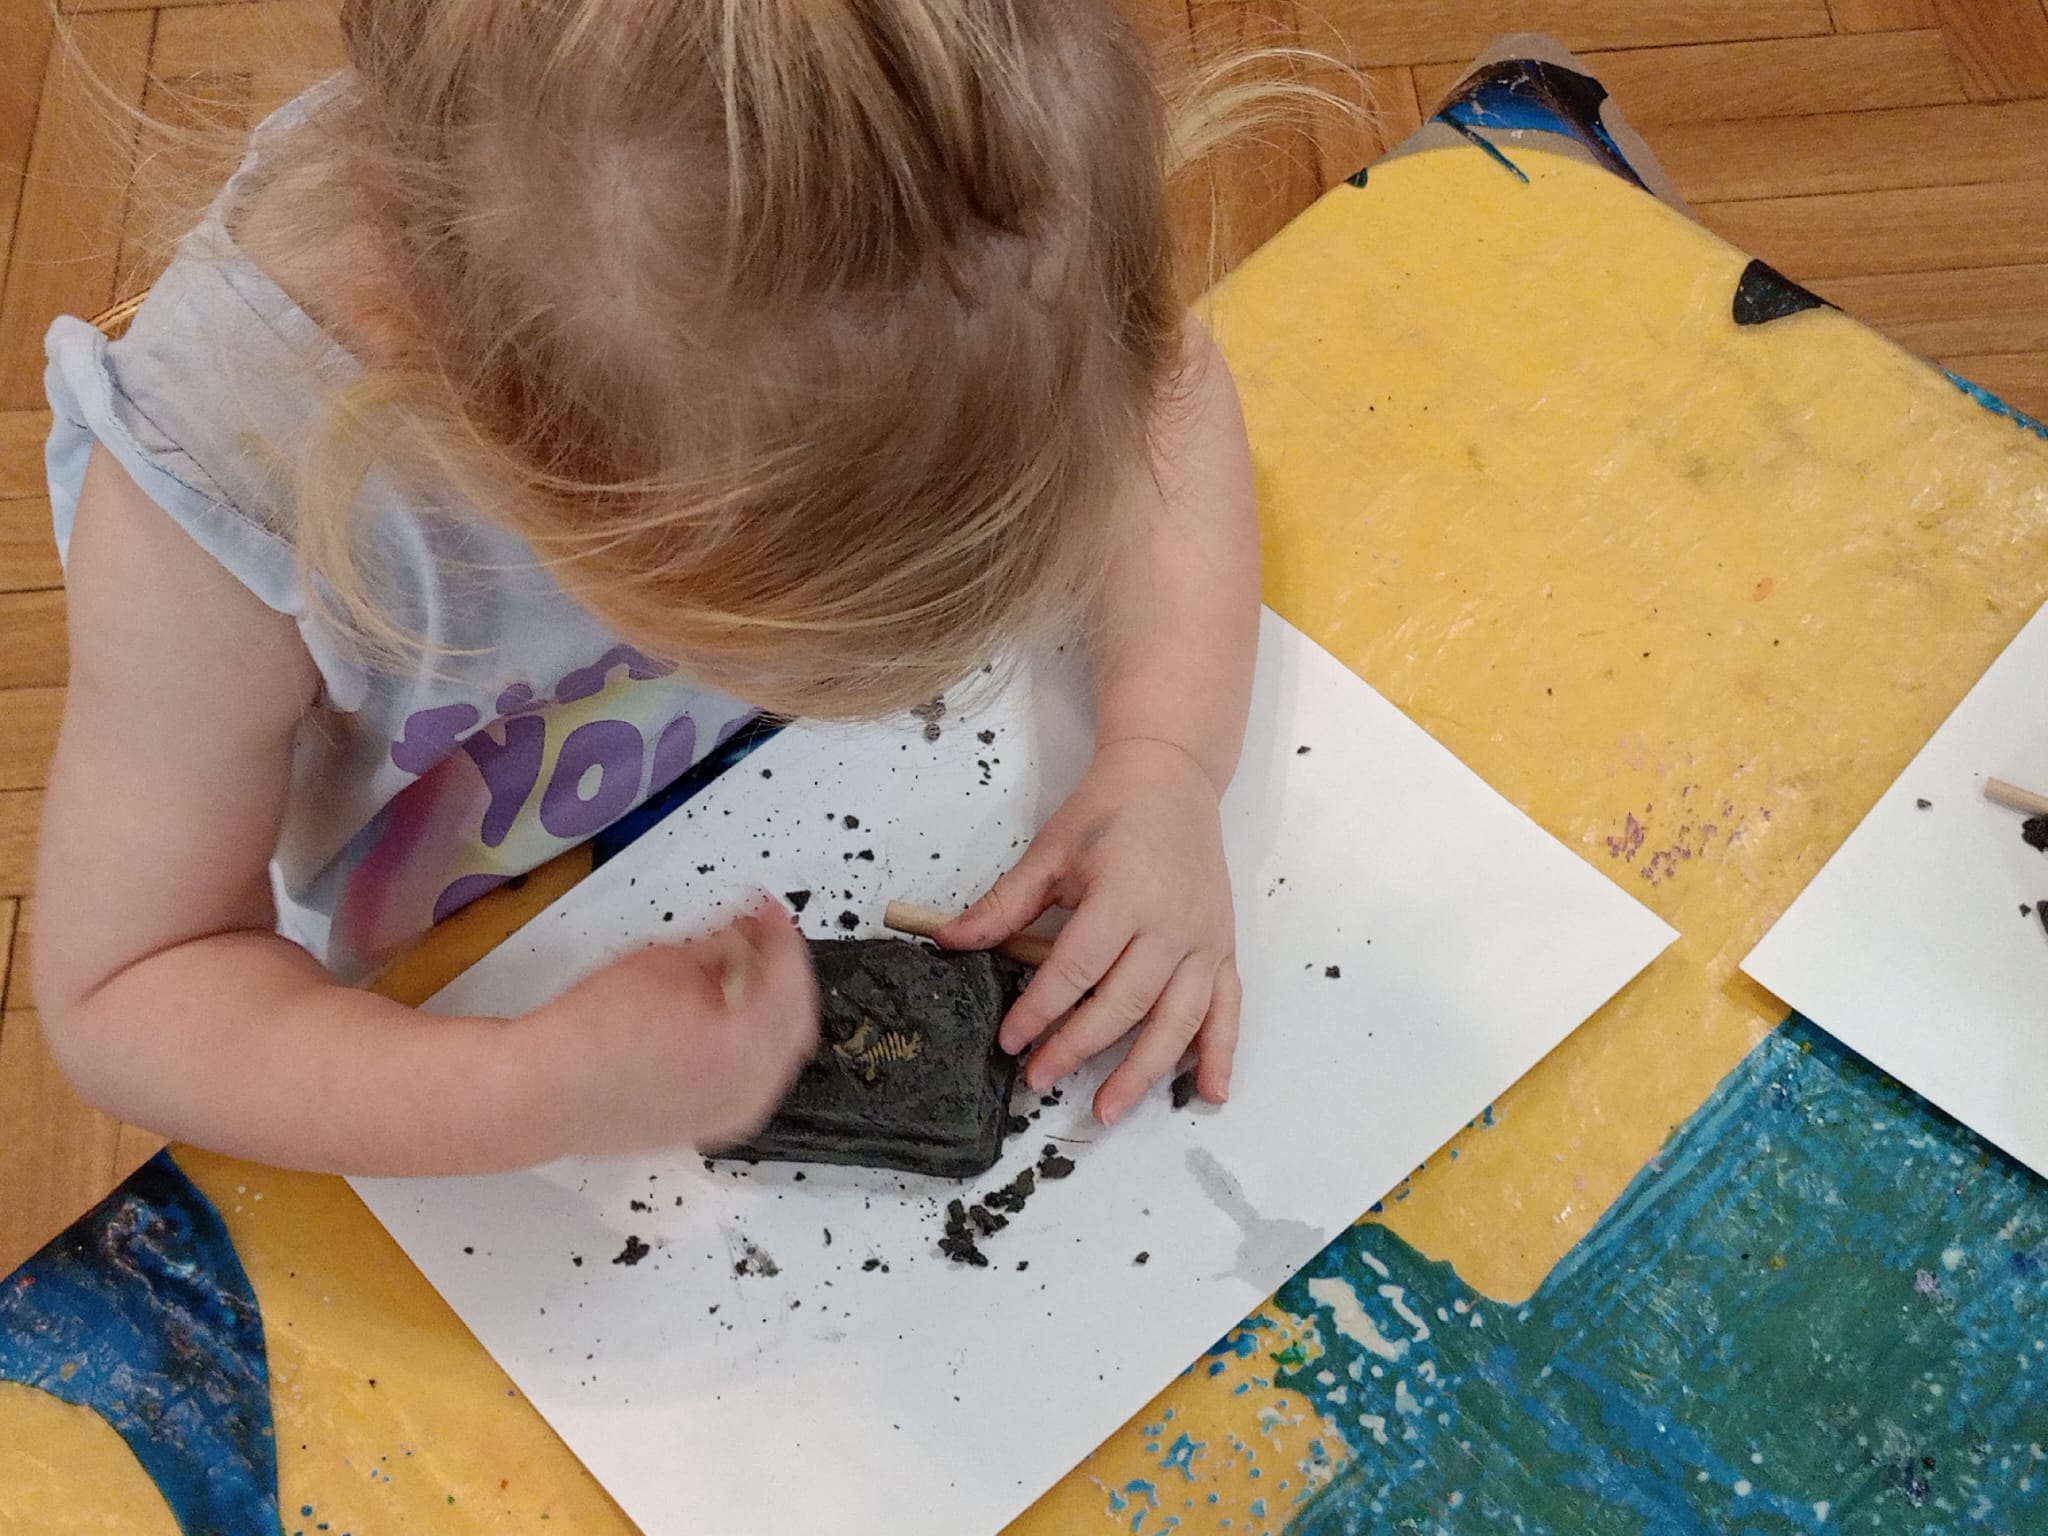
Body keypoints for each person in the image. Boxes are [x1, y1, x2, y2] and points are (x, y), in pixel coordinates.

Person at [33, 0, 1261, 1177]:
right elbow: (133, 986)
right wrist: (514, 1094)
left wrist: (1164, 755)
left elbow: (1169, 394)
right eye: (787, 634)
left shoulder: (986, 244)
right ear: (508, 440)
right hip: (424, 983)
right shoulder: (228, 494)